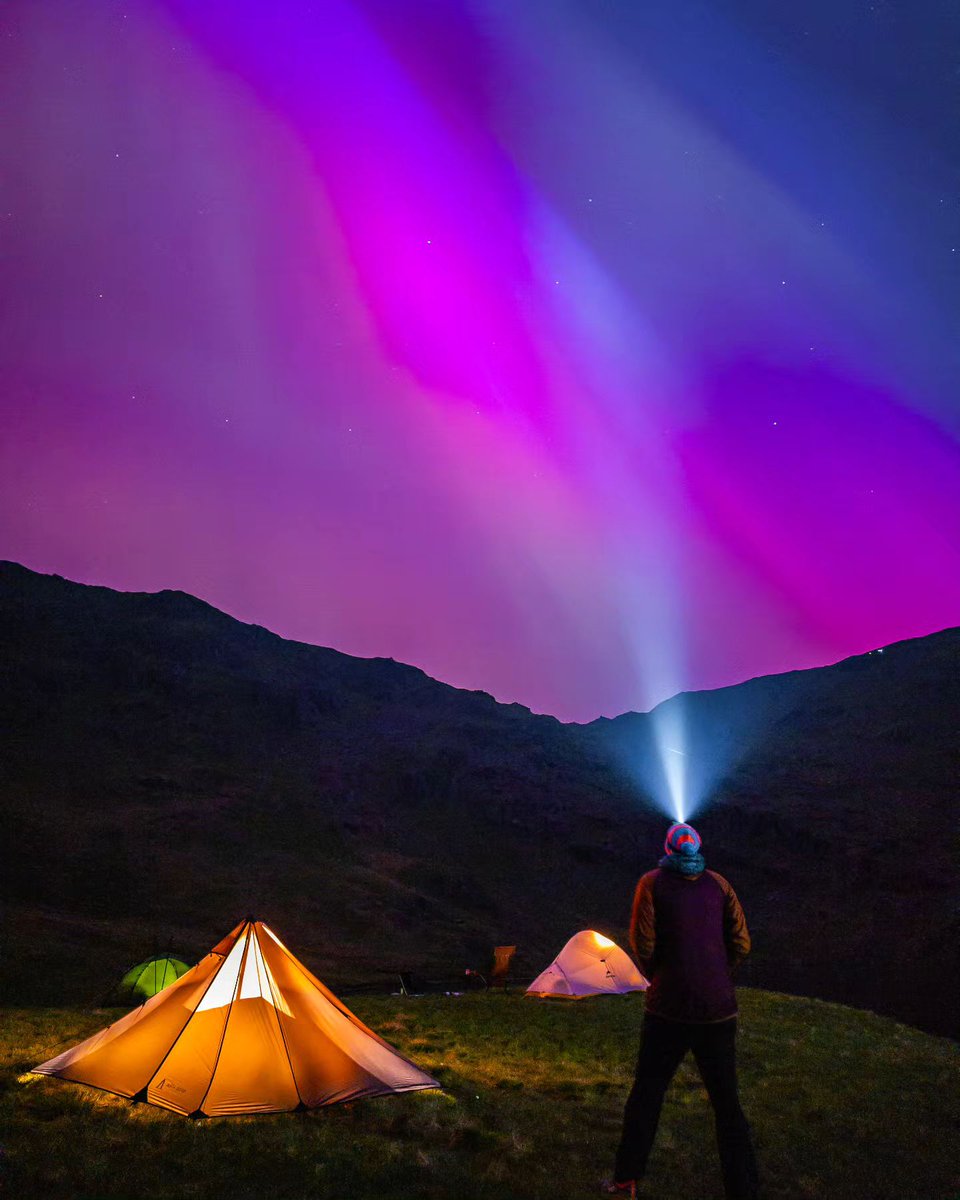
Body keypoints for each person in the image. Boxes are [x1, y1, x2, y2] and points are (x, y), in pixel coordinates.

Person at [602, 822, 759, 1199]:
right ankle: (744, 1191)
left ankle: (626, 1180)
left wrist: (665, 974)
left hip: (668, 1009)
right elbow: (741, 941)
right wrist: (717, 972)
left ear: (669, 849)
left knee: (648, 1093)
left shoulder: (651, 882)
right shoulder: (720, 884)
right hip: (718, 1010)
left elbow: (643, 941)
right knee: (727, 1104)